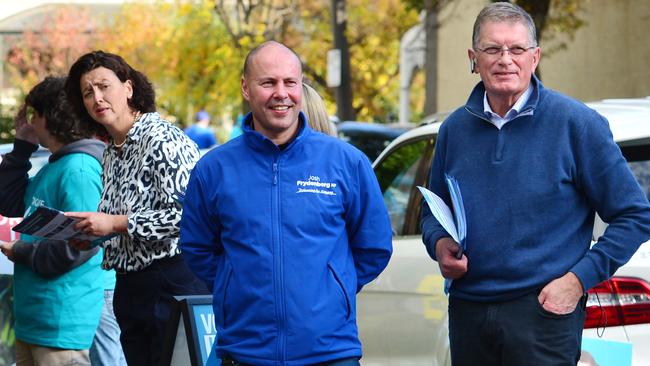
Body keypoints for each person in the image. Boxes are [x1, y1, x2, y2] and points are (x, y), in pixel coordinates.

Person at [420, 3, 650, 365]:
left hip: (544, 314)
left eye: (517, 49)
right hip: (468, 313)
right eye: (492, 49)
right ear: (473, 58)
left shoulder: (576, 125)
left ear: (535, 57)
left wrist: (577, 281)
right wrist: (440, 242)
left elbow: (635, 215)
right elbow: (432, 211)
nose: (505, 59)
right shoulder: (453, 131)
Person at [179, 41, 393, 365]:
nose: (282, 93)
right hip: (246, 351)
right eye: (268, 83)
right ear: (246, 88)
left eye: (290, 82)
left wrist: (332, 289)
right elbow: (197, 248)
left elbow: (374, 246)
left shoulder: (346, 162)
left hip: (330, 352)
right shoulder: (214, 169)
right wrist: (236, 284)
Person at [63, 51, 209, 366]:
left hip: (172, 280)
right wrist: (92, 235)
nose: (97, 98)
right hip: (130, 286)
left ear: (128, 88)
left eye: (104, 86)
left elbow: (194, 216)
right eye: (88, 92)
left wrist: (115, 224)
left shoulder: (161, 138)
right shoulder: (112, 151)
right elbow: (123, 222)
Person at [0, 76, 105, 366]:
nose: (29, 122)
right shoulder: (56, 165)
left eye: (34, 114)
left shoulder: (79, 170)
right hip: (34, 321)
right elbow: (8, 202)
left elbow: (82, 245)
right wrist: (21, 148)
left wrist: (21, 251)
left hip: (61, 324)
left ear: (50, 116)